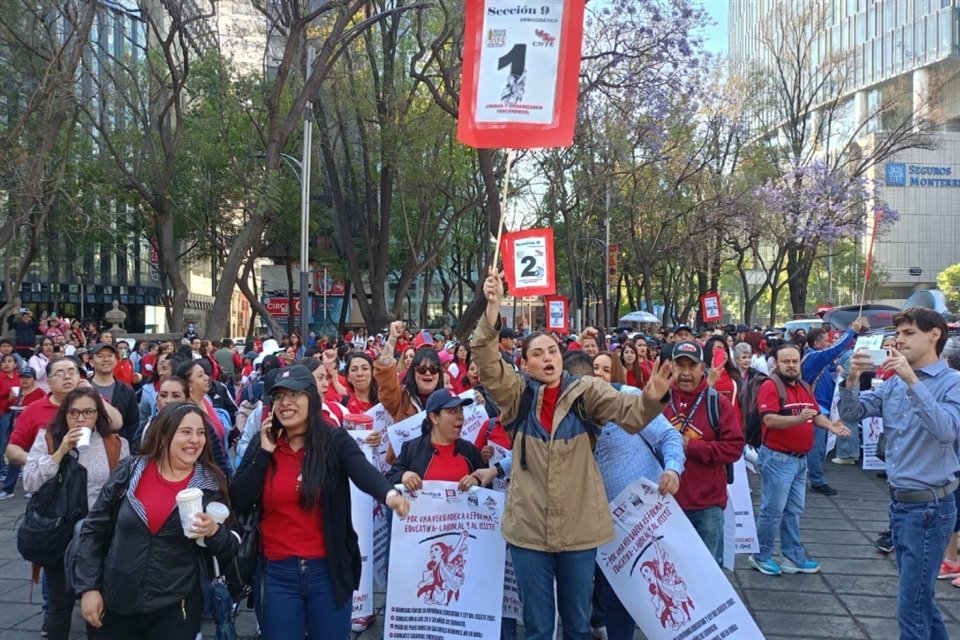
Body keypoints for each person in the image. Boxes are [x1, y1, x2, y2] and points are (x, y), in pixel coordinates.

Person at [472, 268, 673, 640]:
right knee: (536, 628)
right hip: (528, 533)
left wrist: (652, 397)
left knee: (579, 628)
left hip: (580, 533)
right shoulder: (518, 396)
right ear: (526, 363)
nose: (547, 358)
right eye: (537, 353)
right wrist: (493, 306)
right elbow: (486, 362)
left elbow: (631, 416)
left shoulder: (587, 391)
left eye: (552, 350)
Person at [229, 365, 411, 640]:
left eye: (294, 395)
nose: (285, 403)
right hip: (276, 574)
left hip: (327, 572)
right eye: (278, 397)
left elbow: (360, 469)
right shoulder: (262, 443)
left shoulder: (333, 440)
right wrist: (264, 454)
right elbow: (238, 498)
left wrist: (389, 495)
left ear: (312, 399)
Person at [839, 308, 960, 639]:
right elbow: (850, 413)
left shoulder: (953, 383)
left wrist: (910, 379)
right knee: (921, 601)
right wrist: (851, 378)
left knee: (912, 606)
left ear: (934, 334)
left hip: (931, 508)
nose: (900, 339)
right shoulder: (892, 384)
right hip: (901, 505)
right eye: (900, 333)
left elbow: (946, 430)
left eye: (908, 333)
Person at [74, 402, 237, 639]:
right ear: (163, 436)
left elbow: (232, 547)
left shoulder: (210, 485)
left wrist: (214, 532)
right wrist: (89, 587)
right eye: (185, 431)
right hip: (115, 601)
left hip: (175, 608)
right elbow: (93, 529)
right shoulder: (131, 471)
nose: (195, 439)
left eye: (200, 432)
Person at [565, 350, 684, 640]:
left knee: (666, 585)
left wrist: (672, 470)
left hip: (647, 514)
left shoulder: (627, 397)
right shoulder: (561, 413)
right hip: (602, 522)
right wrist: (498, 469)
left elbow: (669, 436)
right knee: (613, 592)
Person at [23, 387, 129, 640]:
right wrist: (59, 453)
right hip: (59, 534)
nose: (81, 419)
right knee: (60, 605)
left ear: (98, 415)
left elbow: (126, 489)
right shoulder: (47, 438)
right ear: (65, 414)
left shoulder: (115, 444)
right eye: (74, 413)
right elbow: (30, 482)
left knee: (98, 605)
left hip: (98, 535)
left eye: (88, 412)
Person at [749, 343, 851, 577]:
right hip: (778, 459)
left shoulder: (804, 385)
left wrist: (830, 425)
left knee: (793, 510)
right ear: (776, 363)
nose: (792, 365)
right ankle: (761, 555)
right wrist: (797, 420)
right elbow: (770, 421)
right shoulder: (770, 386)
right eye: (786, 361)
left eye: (795, 361)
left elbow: (814, 414)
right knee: (772, 511)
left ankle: (792, 556)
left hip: (799, 460)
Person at [660, 341, 744, 565]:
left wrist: (692, 446)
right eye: (680, 366)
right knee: (669, 574)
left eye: (692, 366)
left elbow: (734, 448)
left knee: (706, 573)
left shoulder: (718, 403)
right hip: (665, 503)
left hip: (706, 506)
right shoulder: (659, 401)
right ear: (671, 368)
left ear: (703, 369)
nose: (685, 373)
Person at [3, 358, 122, 500]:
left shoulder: (92, 404)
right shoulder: (34, 409)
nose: (67, 377)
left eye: (72, 372)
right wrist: (38, 461)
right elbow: (12, 449)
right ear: (48, 382)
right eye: (60, 373)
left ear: (79, 377)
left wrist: (93, 393)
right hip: (52, 490)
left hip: (93, 487)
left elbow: (116, 423)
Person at [801, 318, 866, 495]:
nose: (830, 342)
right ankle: (817, 481)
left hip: (820, 406)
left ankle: (810, 478)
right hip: (816, 408)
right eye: (826, 340)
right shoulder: (814, 356)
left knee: (815, 446)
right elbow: (835, 350)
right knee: (816, 447)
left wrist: (835, 370)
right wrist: (851, 331)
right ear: (817, 343)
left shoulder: (817, 358)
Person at [389, 388, 496, 492]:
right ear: (434, 418)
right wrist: (403, 475)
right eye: (453, 411)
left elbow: (488, 488)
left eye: (461, 410)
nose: (460, 417)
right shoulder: (411, 449)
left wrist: (476, 481)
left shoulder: (469, 450)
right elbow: (388, 480)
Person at [89, 343, 140, 449]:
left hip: (119, 449)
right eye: (100, 356)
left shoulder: (127, 391)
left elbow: (133, 426)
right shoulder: (83, 389)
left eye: (109, 355)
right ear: (92, 362)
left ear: (115, 361)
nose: (105, 359)